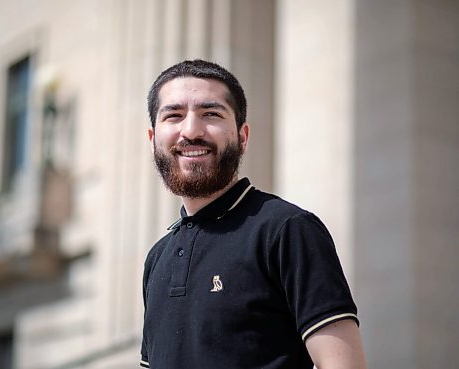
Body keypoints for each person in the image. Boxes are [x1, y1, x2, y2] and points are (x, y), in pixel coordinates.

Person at [141, 59, 367, 369]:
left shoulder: (287, 230)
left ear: (243, 136)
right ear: (153, 139)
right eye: (174, 115)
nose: (191, 130)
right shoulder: (157, 259)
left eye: (210, 114)